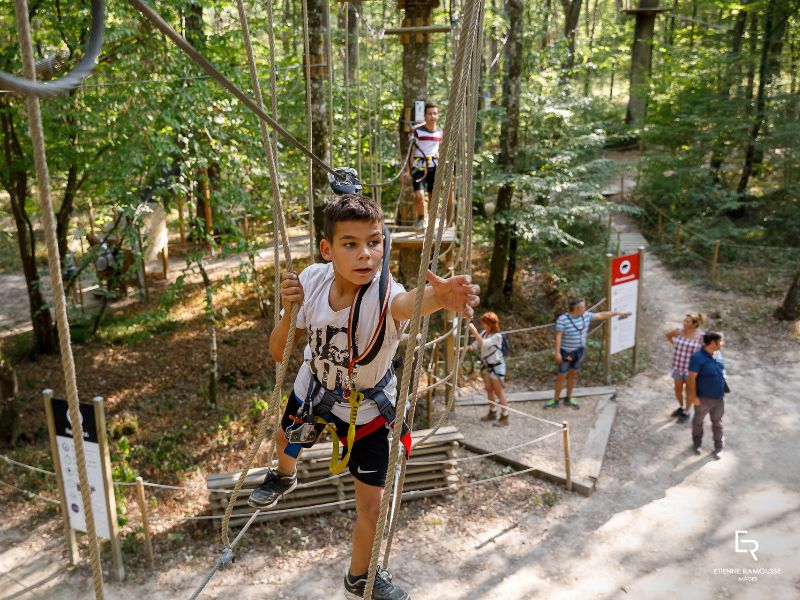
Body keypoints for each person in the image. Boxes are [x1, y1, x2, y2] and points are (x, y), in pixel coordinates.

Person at [247, 194, 479, 600]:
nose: (365, 255)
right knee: (284, 441)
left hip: (369, 406)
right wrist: (289, 311)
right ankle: (284, 474)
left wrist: (439, 299)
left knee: (371, 507)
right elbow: (277, 353)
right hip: (316, 386)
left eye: (374, 242)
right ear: (327, 250)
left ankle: (359, 576)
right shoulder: (312, 282)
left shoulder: (385, 293)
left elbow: (407, 305)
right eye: (350, 244)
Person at [544, 297, 631, 410]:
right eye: (584, 306)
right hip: (567, 352)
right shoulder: (563, 319)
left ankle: (568, 397)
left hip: (579, 351)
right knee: (562, 375)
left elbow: (601, 315)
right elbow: (558, 336)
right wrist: (557, 353)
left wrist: (618, 313)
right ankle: (555, 400)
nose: (586, 308)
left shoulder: (586, 316)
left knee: (573, 374)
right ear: (577, 309)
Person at [688, 331, 727, 460]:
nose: (723, 343)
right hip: (703, 398)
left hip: (719, 398)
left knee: (718, 423)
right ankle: (697, 444)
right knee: (698, 421)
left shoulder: (718, 354)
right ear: (712, 343)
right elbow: (691, 379)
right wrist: (693, 397)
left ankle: (718, 447)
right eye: (721, 341)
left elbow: (722, 370)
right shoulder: (697, 358)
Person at [468, 312, 509, 426]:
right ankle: (493, 412)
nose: (482, 325)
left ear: (490, 324)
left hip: (496, 367)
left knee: (499, 392)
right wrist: (457, 350)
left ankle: (505, 416)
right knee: (489, 390)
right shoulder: (484, 334)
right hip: (486, 366)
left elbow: (484, 344)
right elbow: (474, 346)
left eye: (484, 323)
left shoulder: (497, 336)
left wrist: (473, 331)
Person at [665, 313, 705, 423]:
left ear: (695, 324)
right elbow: (668, 335)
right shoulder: (678, 331)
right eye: (684, 321)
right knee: (677, 389)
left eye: (688, 322)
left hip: (691, 370)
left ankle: (686, 412)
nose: (684, 323)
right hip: (677, 366)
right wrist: (675, 345)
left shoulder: (701, 337)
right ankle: (681, 407)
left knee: (689, 391)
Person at [408, 103, 442, 229]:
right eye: (429, 113)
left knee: (433, 195)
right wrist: (407, 170)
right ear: (425, 116)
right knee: (419, 195)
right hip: (419, 166)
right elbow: (411, 152)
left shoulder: (440, 132)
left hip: (434, 166)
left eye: (435, 113)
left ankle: (431, 219)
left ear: (438, 115)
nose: (432, 116)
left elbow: (439, 149)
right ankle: (421, 217)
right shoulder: (417, 131)